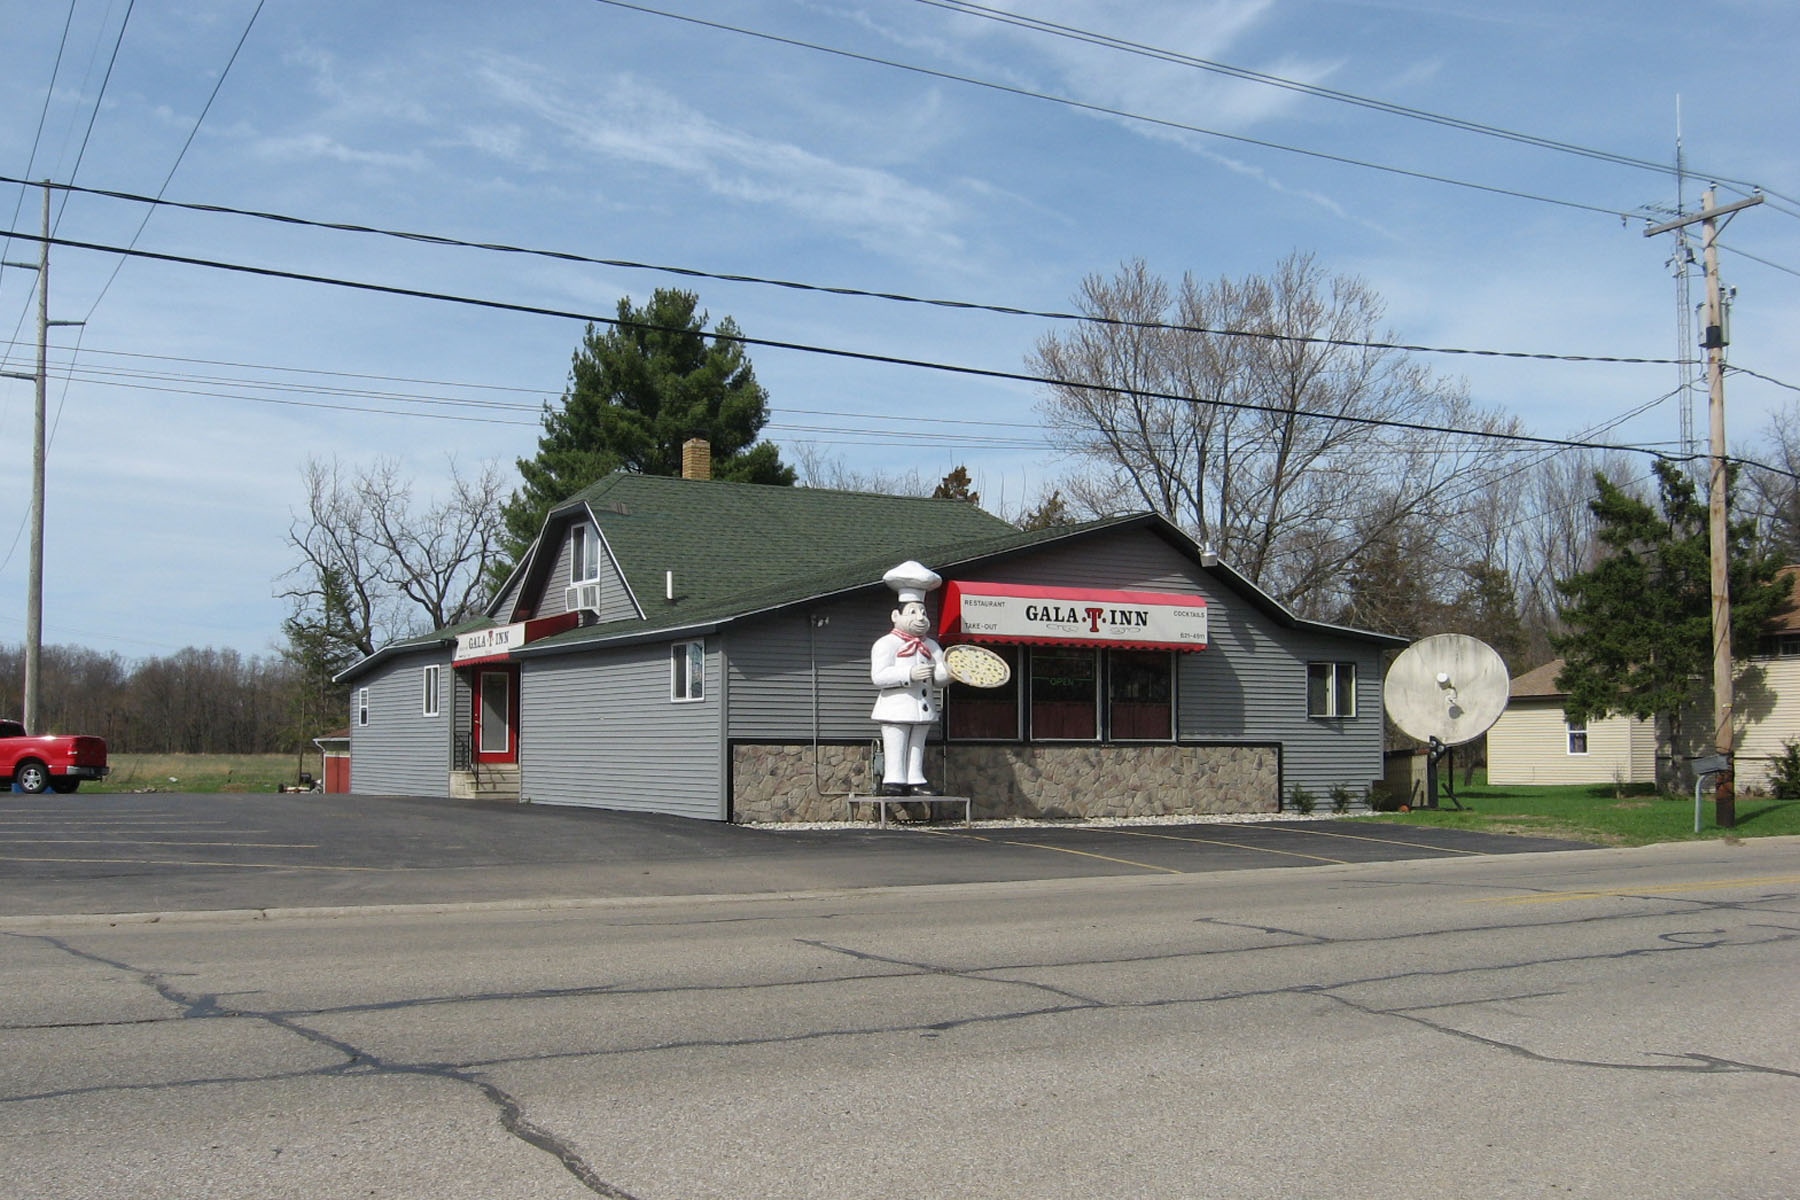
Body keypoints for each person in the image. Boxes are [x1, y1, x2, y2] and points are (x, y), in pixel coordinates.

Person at [870, 561, 950, 797]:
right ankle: (893, 779)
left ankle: (916, 778)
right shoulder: (887, 644)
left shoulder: (931, 645)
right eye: (913, 612)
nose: (921, 618)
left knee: (918, 743)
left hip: (923, 707)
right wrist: (908, 674)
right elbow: (879, 676)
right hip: (896, 706)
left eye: (923, 612)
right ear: (896, 615)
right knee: (896, 741)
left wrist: (951, 673)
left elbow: (938, 677)